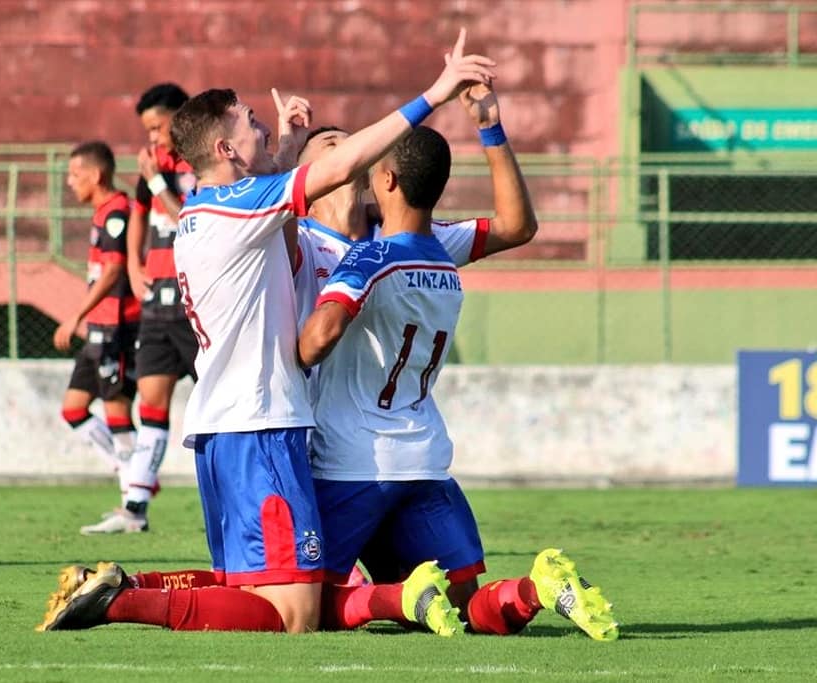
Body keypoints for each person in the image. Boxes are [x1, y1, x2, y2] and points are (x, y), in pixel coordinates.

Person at [36, 28, 499, 635]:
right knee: (295, 613)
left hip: (225, 425)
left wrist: (290, 144)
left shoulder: (207, 210)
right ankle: (120, 602)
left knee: (257, 588)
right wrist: (434, 93)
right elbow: (341, 167)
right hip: (261, 426)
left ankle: (121, 588)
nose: (262, 126)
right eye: (251, 121)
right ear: (227, 148)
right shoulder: (239, 206)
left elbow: (278, 200)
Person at [297, 84, 618, 641]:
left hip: (351, 462)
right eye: (328, 146)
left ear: (384, 178)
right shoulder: (301, 236)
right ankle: (536, 589)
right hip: (421, 454)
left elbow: (516, 226)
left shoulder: (377, 251)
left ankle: (397, 599)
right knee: (469, 608)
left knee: (297, 608)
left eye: (355, 147)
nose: (350, 154)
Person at [80, 83, 198, 534]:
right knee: (151, 400)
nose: (152, 137)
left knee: (221, 402)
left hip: (194, 303)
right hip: (157, 305)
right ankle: (135, 508)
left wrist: (153, 180)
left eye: (158, 126)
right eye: (147, 129)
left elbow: (189, 216)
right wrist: (132, 262)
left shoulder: (202, 163)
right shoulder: (154, 165)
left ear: (181, 118)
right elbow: (141, 214)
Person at [53, 141, 141, 510]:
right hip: (98, 330)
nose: (69, 182)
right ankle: (132, 472)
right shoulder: (102, 212)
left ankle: (134, 501)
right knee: (73, 408)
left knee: (117, 412)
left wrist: (76, 314)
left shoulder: (118, 211)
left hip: (118, 327)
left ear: (96, 174)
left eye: (75, 174)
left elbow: (115, 270)